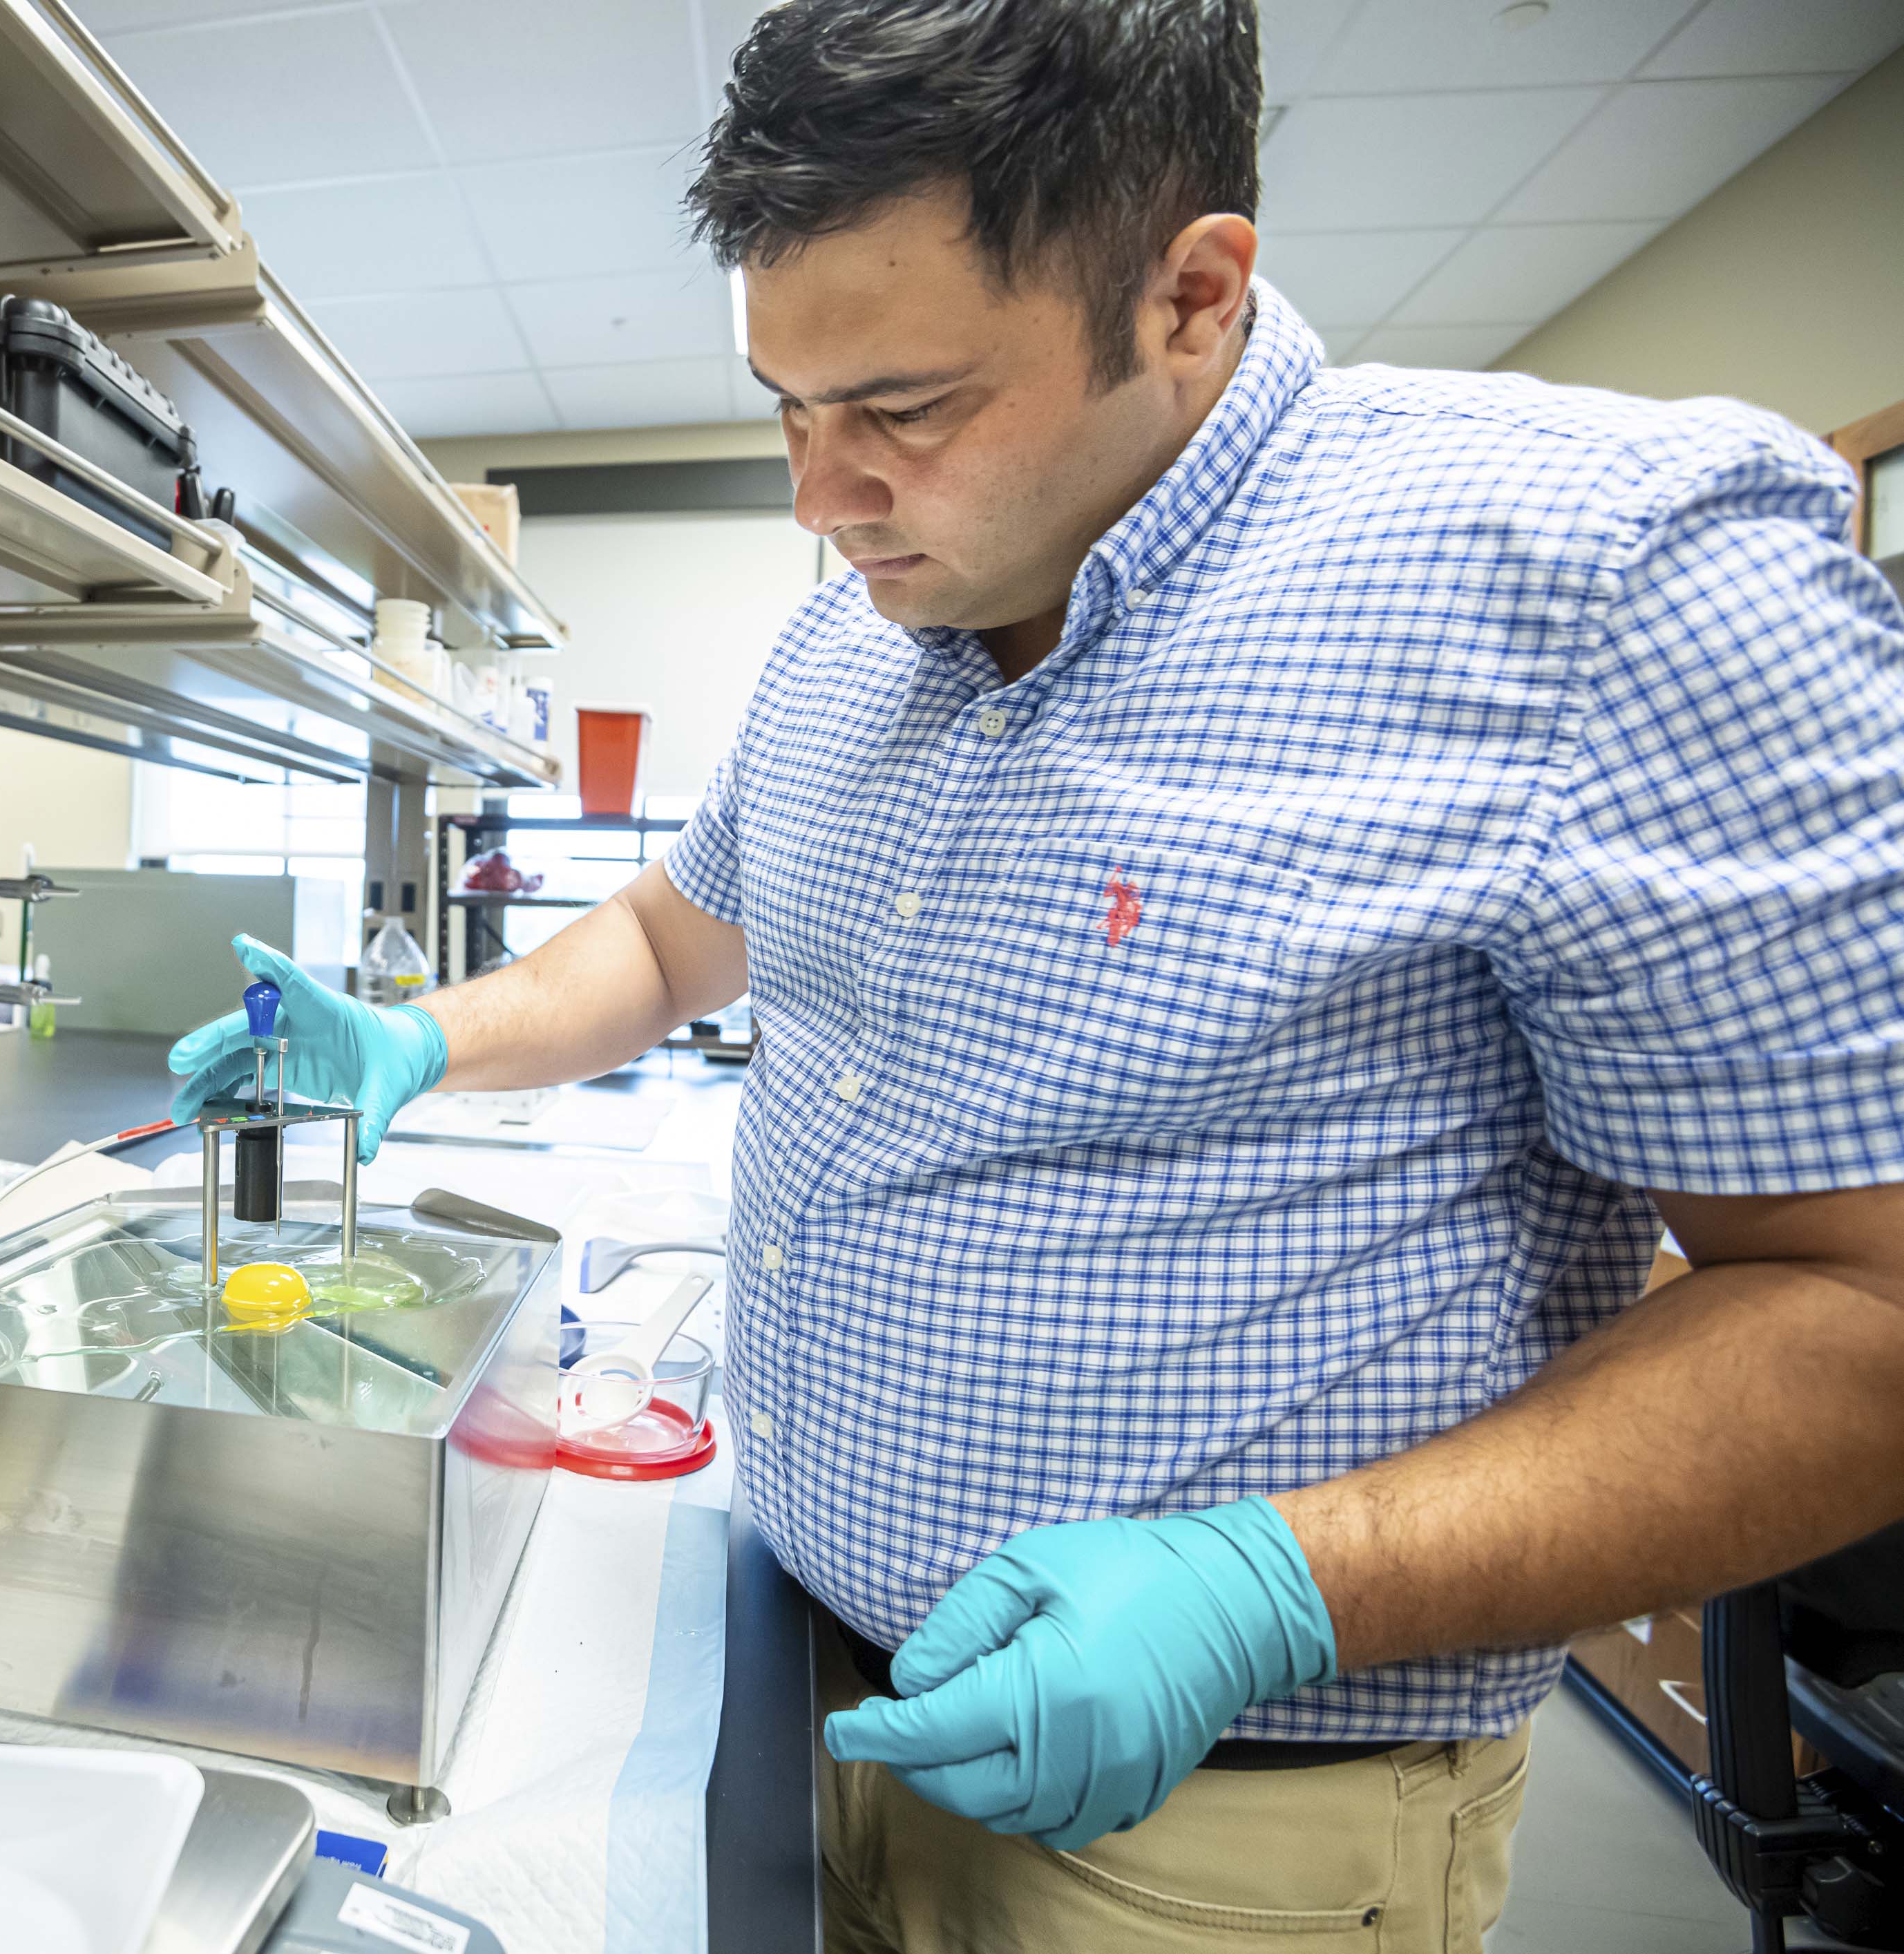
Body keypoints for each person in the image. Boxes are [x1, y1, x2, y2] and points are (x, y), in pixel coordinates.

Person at [167, 0, 1904, 1944]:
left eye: (902, 410)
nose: (823, 500)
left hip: (1204, 1811)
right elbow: (673, 937)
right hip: (787, 1672)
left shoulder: (1605, 574)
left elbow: (1856, 1308)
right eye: (784, 408)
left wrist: (1267, 1584)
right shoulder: (851, 641)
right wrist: (417, 1034)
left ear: (1188, 293)